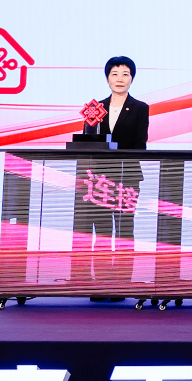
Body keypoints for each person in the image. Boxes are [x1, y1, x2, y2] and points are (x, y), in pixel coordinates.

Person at [72, 56, 149, 296]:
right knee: (103, 231)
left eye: (125, 74)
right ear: (107, 78)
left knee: (125, 229)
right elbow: (88, 143)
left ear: (132, 78)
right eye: (114, 73)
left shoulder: (140, 108)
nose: (120, 79)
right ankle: (103, 283)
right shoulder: (95, 108)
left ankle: (123, 281)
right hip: (99, 179)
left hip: (128, 177)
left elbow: (140, 144)